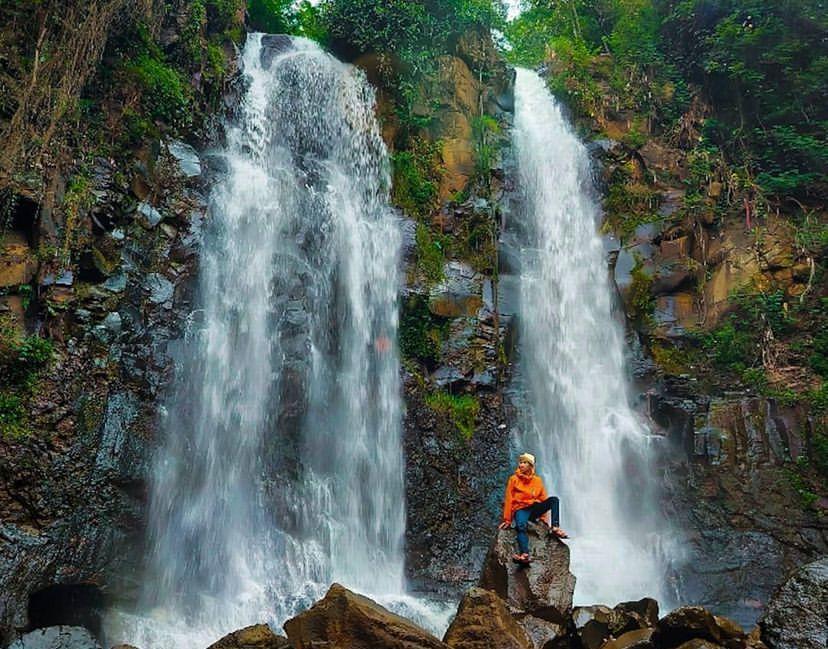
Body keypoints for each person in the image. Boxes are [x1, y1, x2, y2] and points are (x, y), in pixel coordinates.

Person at [498, 452, 568, 563]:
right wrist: (507, 519)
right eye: (520, 462)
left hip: (534, 508)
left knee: (554, 500)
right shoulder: (513, 479)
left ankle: (555, 527)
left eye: (524, 462)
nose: (521, 465)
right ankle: (524, 553)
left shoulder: (537, 481)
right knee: (521, 526)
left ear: (530, 466)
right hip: (520, 508)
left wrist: (543, 520)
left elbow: (543, 498)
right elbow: (509, 499)